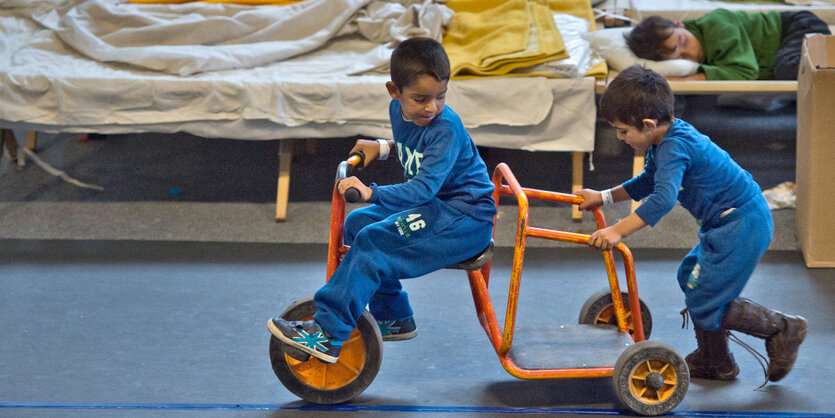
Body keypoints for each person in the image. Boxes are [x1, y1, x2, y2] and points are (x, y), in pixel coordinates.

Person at [266, 37, 496, 364]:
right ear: (394, 92)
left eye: (440, 96)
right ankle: (393, 317)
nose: (431, 107)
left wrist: (371, 192)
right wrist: (383, 146)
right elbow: (414, 149)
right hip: (438, 210)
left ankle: (326, 335)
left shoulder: (445, 128)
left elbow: (422, 189)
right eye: (420, 98)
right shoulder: (399, 113)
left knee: (374, 240)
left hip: (465, 218)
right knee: (358, 223)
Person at [575, 65, 807, 382]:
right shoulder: (661, 141)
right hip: (725, 224)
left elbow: (663, 199)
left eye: (622, 131)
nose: (620, 137)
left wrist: (617, 231)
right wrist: (602, 197)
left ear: (647, 124)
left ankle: (781, 329)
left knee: (705, 298)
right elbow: (648, 182)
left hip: (742, 224)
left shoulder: (674, 146)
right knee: (690, 276)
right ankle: (716, 360)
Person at [625, 9, 830, 80]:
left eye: (683, 41)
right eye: (681, 57)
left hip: (797, 28)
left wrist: (692, 80)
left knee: (792, 70)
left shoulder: (717, 23)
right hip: (780, 57)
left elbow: (746, 71)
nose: (692, 53)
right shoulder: (701, 57)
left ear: (679, 24)